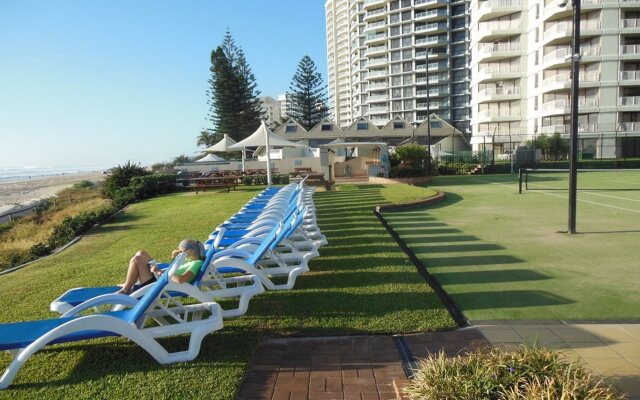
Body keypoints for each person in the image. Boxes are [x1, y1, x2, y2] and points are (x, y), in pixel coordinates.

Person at [117, 239, 205, 295]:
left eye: (181, 251)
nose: (180, 253)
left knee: (136, 259)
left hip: (161, 284)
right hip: (161, 278)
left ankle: (126, 289)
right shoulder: (189, 259)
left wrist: (159, 272)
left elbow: (180, 280)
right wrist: (173, 257)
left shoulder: (196, 263)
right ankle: (129, 284)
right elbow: (173, 268)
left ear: (191, 251)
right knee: (141, 253)